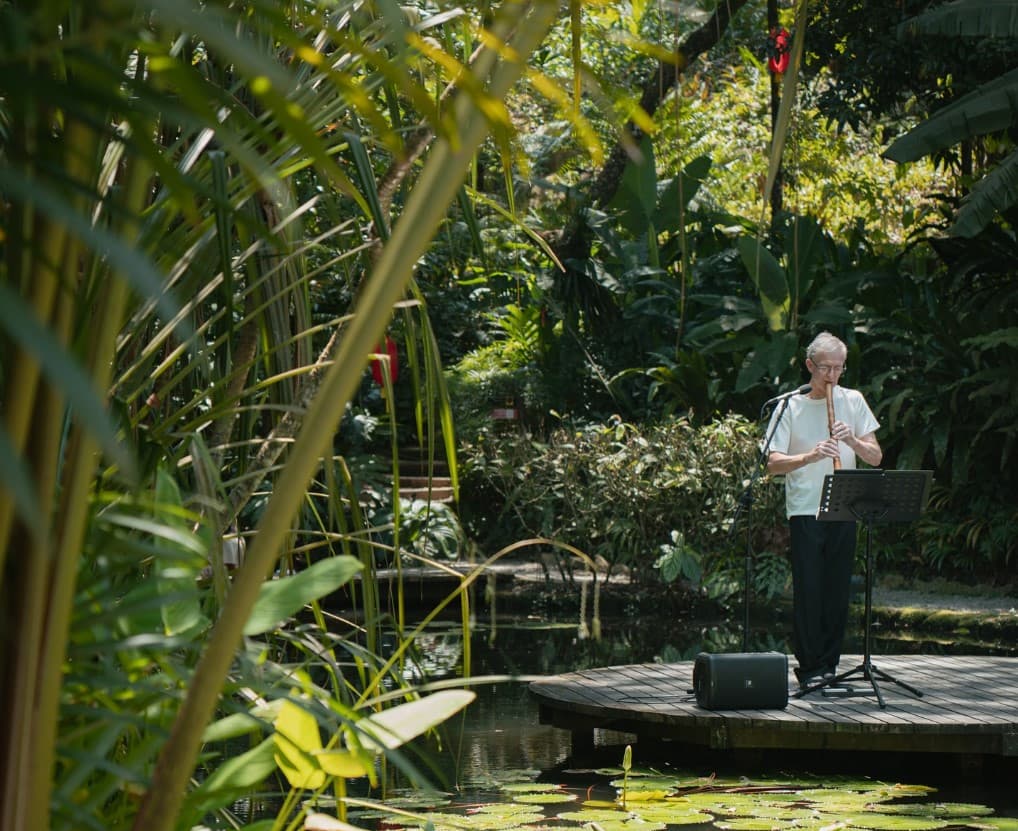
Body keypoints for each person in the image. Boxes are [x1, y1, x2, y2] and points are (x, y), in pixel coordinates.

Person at [764, 332, 882, 689]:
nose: (831, 375)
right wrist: (812, 455)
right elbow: (773, 464)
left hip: (846, 504)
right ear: (809, 366)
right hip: (805, 508)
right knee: (809, 588)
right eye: (825, 368)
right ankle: (809, 668)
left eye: (838, 368)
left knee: (836, 589)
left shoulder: (854, 400)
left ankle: (829, 666)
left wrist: (851, 440)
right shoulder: (790, 405)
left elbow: (875, 457)